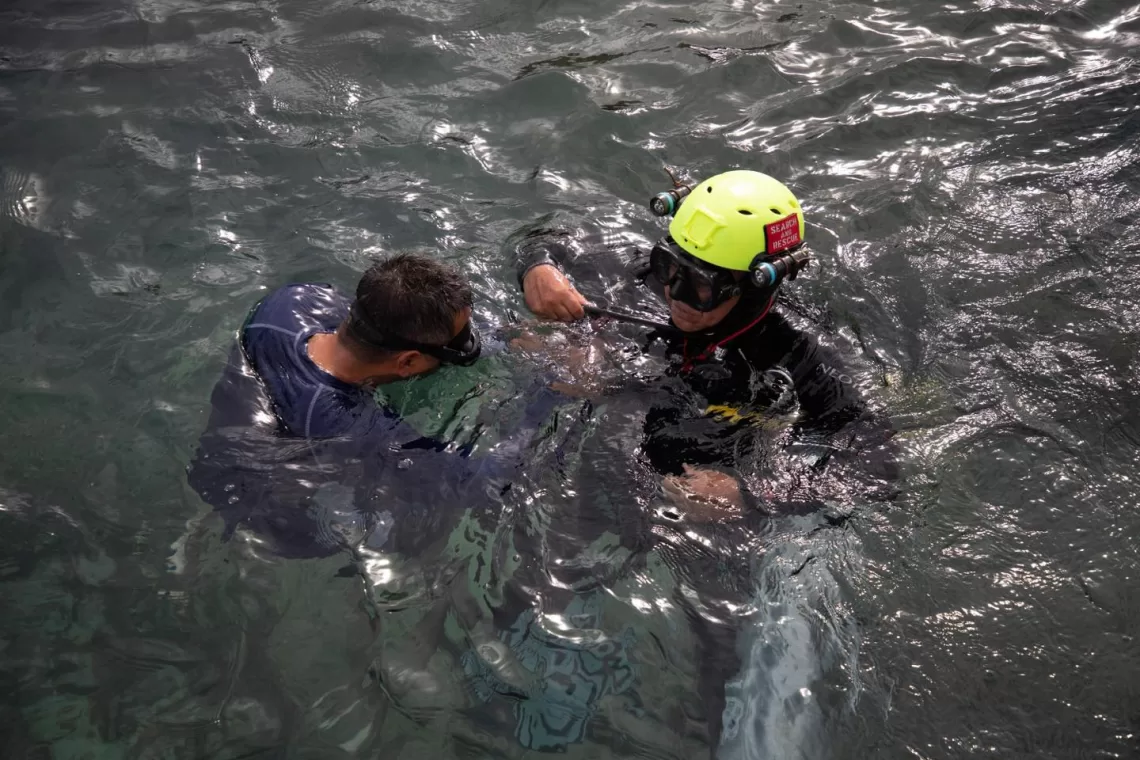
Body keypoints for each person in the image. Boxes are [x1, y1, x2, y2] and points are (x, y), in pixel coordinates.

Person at [509, 168, 900, 752]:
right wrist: (536, 271)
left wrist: (753, 496)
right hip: (618, 456)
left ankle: (710, 726)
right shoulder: (644, 275)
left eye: (701, 287)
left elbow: (878, 464)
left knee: (715, 640)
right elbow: (542, 237)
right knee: (544, 578)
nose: (673, 296)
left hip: (720, 499)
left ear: (759, 286)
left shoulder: (797, 350)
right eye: (669, 270)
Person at [186, 252, 564, 559]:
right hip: (269, 505)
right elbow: (477, 484)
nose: (469, 344)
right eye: (459, 342)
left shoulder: (295, 301)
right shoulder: (346, 423)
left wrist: (508, 338)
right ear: (408, 363)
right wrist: (552, 391)